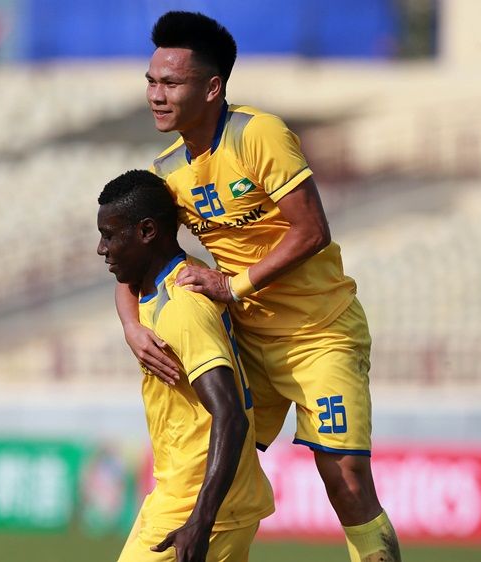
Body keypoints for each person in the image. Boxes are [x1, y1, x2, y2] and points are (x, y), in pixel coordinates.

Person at [115, 11, 401, 562]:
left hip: (319, 332)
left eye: (171, 82)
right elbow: (132, 251)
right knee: (217, 465)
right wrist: (131, 324)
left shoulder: (257, 134)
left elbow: (312, 229)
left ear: (212, 87)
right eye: (151, 81)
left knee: (343, 474)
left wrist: (232, 283)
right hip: (250, 339)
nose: (156, 94)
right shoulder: (168, 169)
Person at [98, 170, 274, 562]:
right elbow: (126, 284)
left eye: (110, 235)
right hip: (182, 494)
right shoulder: (168, 277)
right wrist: (130, 326)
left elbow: (230, 414)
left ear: (146, 231)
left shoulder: (183, 305)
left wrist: (201, 519)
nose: (101, 248)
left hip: (200, 506)